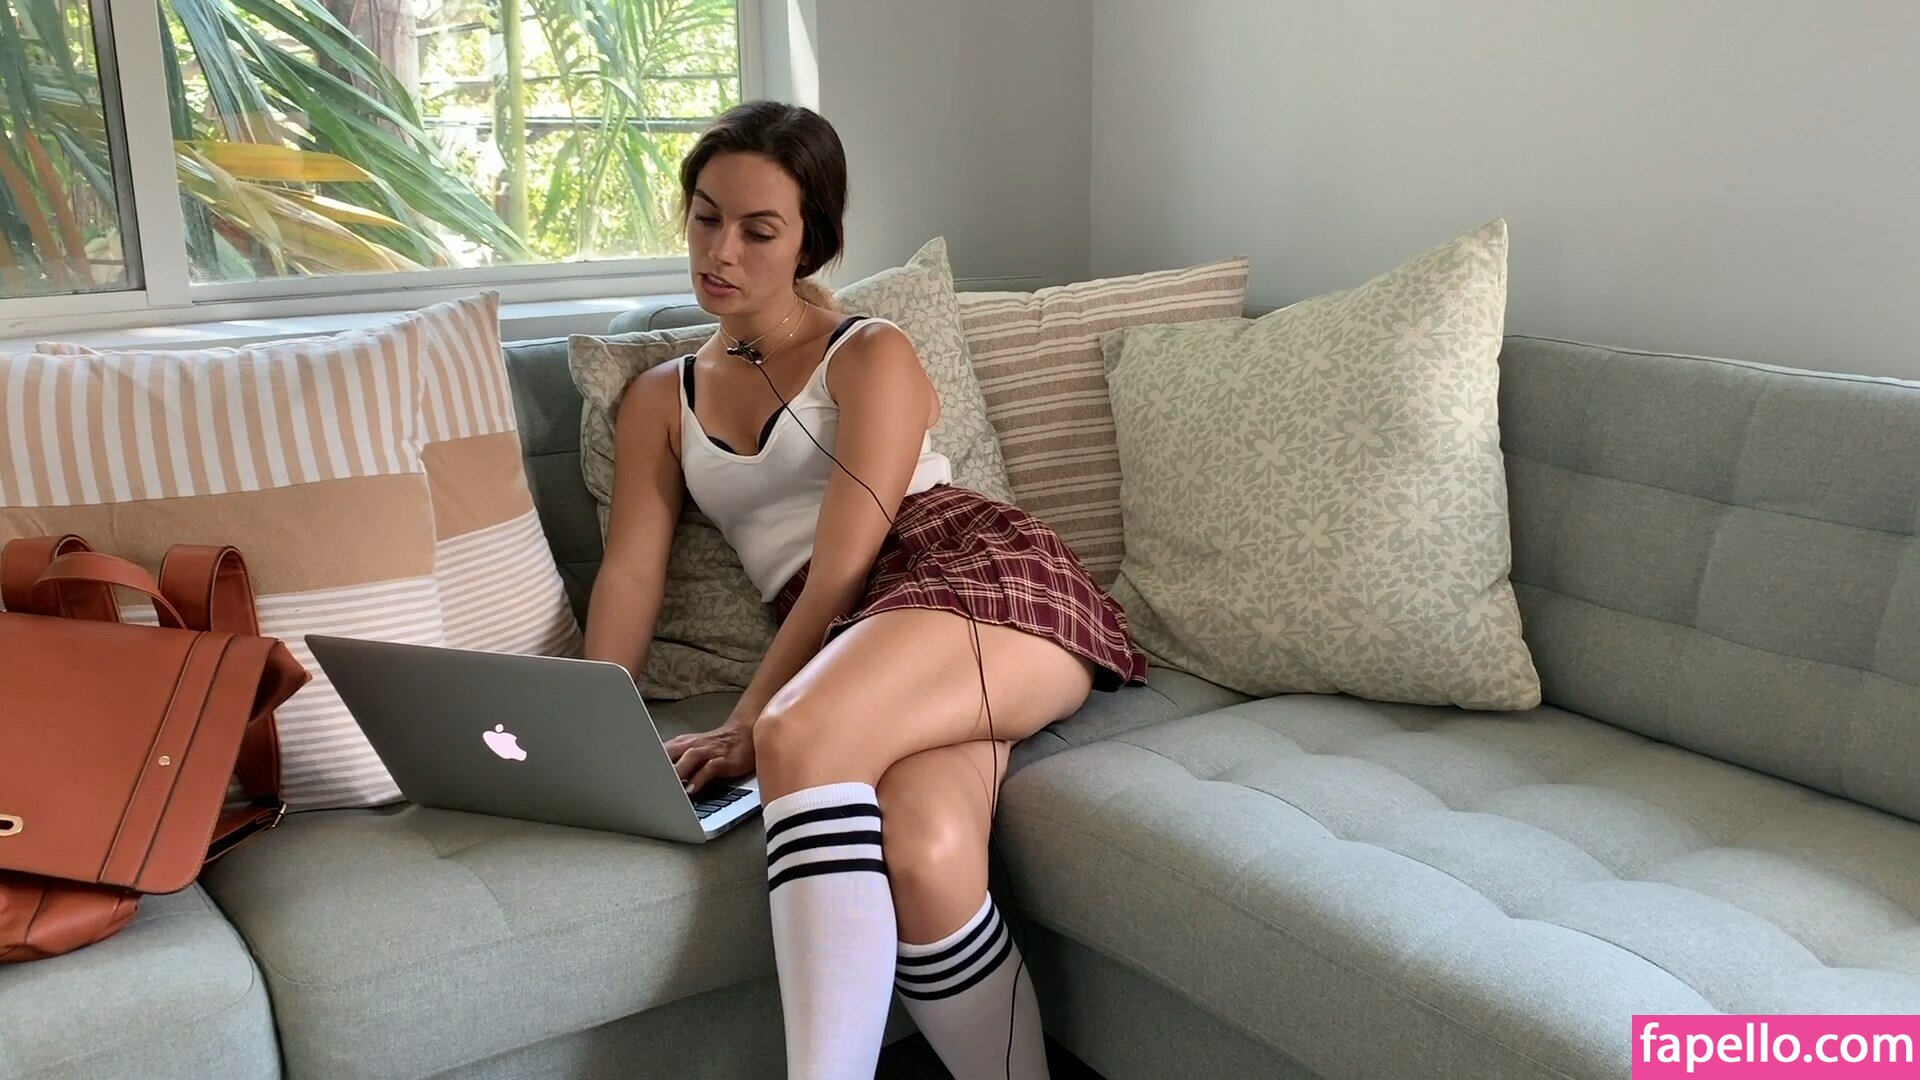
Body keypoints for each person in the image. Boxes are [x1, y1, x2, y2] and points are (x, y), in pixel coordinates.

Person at [583, 99, 1147, 1080]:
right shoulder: (656, 399)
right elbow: (630, 571)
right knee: (925, 853)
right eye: (706, 216)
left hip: (975, 575)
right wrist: (593, 721)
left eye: (759, 230)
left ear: (812, 241)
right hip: (867, 633)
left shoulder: (871, 351)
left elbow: (847, 558)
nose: (721, 250)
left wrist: (752, 719)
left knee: (799, 735)